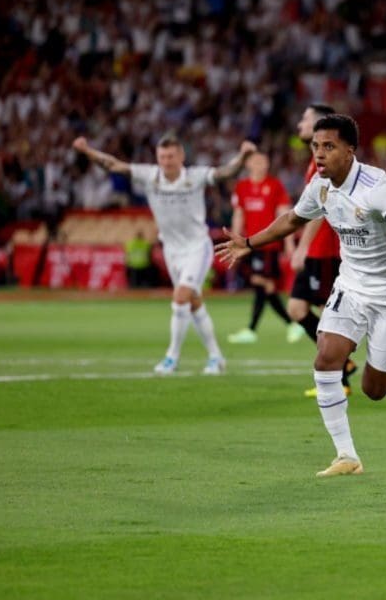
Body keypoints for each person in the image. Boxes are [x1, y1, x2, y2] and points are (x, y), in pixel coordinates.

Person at [216, 114, 386, 477]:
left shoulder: (377, 186)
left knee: (375, 390)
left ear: (350, 150)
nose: (319, 154)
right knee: (326, 356)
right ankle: (347, 456)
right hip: (352, 286)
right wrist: (249, 243)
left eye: (328, 146)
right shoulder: (320, 186)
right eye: (316, 147)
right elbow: (293, 220)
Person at [72, 134, 255, 375]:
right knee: (193, 303)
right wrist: (88, 151)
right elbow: (113, 165)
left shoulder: (194, 177)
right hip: (171, 249)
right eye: (162, 157)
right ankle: (216, 357)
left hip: (196, 247)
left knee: (180, 297)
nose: (166, 161)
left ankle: (171, 357)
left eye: (170, 156)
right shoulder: (150, 176)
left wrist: (242, 157)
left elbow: (224, 173)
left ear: (181, 156)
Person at [285, 104, 358, 397]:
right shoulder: (313, 163)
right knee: (297, 308)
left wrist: (301, 246)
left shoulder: (324, 164)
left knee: (331, 314)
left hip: (325, 250)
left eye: (304, 119)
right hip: (317, 250)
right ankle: (344, 366)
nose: (300, 124)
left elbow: (319, 210)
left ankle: (339, 377)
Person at [226, 151, 297, 344]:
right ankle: (290, 324)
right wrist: (234, 238)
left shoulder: (274, 185)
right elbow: (239, 214)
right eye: (257, 161)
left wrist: (289, 243)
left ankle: (254, 329)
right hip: (248, 245)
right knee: (266, 286)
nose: (261, 165)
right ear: (248, 164)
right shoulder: (241, 187)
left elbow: (285, 215)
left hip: (268, 243)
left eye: (264, 161)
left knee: (261, 284)